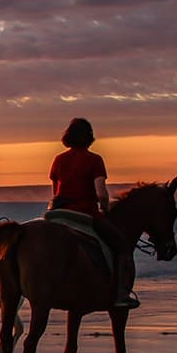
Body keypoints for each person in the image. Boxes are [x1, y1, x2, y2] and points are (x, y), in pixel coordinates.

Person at [49, 117, 139, 309]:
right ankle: (121, 294)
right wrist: (105, 209)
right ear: (89, 138)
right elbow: (101, 193)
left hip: (58, 213)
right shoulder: (94, 160)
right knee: (121, 246)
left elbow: (55, 190)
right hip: (84, 213)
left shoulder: (58, 159)